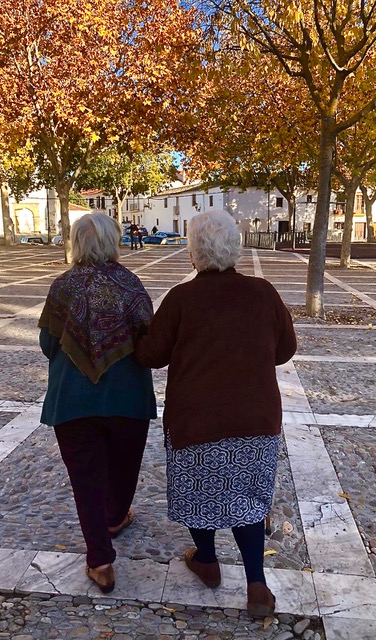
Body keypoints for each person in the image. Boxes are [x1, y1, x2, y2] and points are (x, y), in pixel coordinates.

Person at [135, 210, 296, 618]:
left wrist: (138, 333)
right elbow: (285, 350)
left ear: (194, 253)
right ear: (235, 248)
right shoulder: (264, 293)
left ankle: (206, 559)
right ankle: (256, 584)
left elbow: (151, 356)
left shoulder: (181, 298)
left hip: (196, 420)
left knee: (200, 493)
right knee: (247, 498)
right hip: (255, 418)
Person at [38, 213, 156, 594]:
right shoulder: (131, 285)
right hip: (127, 399)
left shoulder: (62, 288)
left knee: (85, 480)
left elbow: (47, 345)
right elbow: (149, 340)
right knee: (124, 468)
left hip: (72, 401)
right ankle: (116, 516)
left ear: (76, 242)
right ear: (113, 241)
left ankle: (100, 562)